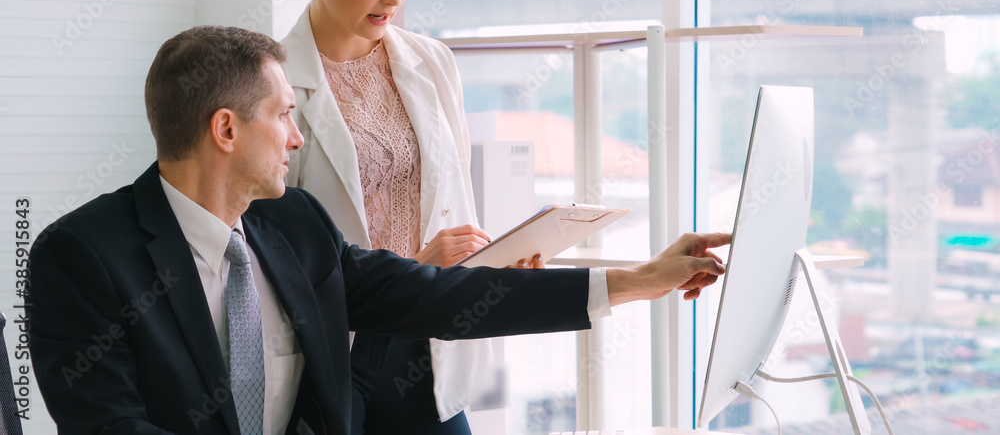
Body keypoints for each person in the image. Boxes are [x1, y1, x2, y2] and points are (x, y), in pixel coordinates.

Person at [27, 25, 727, 434]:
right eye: (285, 115)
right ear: (227, 130)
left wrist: (638, 282)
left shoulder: (294, 226)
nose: (297, 139)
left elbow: (436, 297)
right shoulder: (82, 256)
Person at [279, 0, 534, 433]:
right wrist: (416, 263)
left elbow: (451, 194)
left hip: (432, 334)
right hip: (341, 353)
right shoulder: (272, 81)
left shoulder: (433, 61)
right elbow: (276, 255)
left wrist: (494, 255)